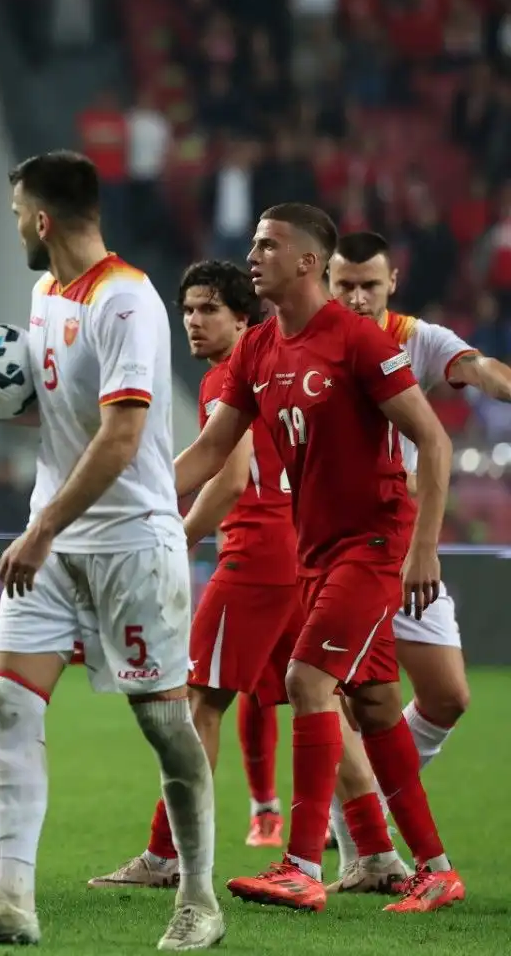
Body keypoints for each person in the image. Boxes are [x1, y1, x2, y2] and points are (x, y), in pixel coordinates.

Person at [0, 152, 221, 950]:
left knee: (164, 725)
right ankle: (11, 899)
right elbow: (65, 416)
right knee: (10, 701)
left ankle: (198, 898)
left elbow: (123, 438)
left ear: (43, 219)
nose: (15, 221)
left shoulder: (127, 302)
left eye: (18, 209)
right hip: (54, 539)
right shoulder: (47, 293)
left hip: (129, 540)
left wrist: (42, 526)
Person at [175, 204, 463, 914]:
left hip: (373, 543)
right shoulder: (259, 349)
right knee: (371, 701)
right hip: (317, 550)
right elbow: (213, 450)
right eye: (252, 244)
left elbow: (433, 440)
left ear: (308, 262)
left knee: (307, 680)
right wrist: (138, 498)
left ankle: (301, 863)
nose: (253, 255)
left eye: (267, 245)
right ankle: (435, 867)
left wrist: (422, 548)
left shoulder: (357, 340)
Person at [89, 259, 299, 891]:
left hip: (255, 556)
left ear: (244, 317)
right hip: (293, 554)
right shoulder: (274, 367)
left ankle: (165, 855)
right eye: (187, 310)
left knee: (197, 704)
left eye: (209, 309)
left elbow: (229, 478)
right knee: (323, 704)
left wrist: (171, 532)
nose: (193, 321)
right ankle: (377, 849)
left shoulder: (229, 378)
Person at [321, 229, 508, 894]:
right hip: (330, 546)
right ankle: (362, 835)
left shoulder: (416, 338)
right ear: (325, 283)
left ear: (392, 281)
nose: (359, 297)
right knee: (329, 692)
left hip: (401, 544)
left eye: (370, 284)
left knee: (448, 696)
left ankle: (357, 810)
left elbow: (478, 368)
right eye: (346, 285)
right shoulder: (305, 340)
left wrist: (497, 380)